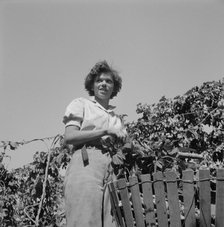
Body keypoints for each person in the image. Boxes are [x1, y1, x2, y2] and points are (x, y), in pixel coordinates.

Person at [63, 60, 127, 227]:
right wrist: (105, 131)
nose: (104, 84)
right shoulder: (81, 104)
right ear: (92, 85)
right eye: (99, 80)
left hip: (110, 169)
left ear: (114, 87)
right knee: (85, 219)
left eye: (108, 81)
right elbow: (69, 137)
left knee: (110, 222)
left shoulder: (115, 118)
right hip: (86, 164)